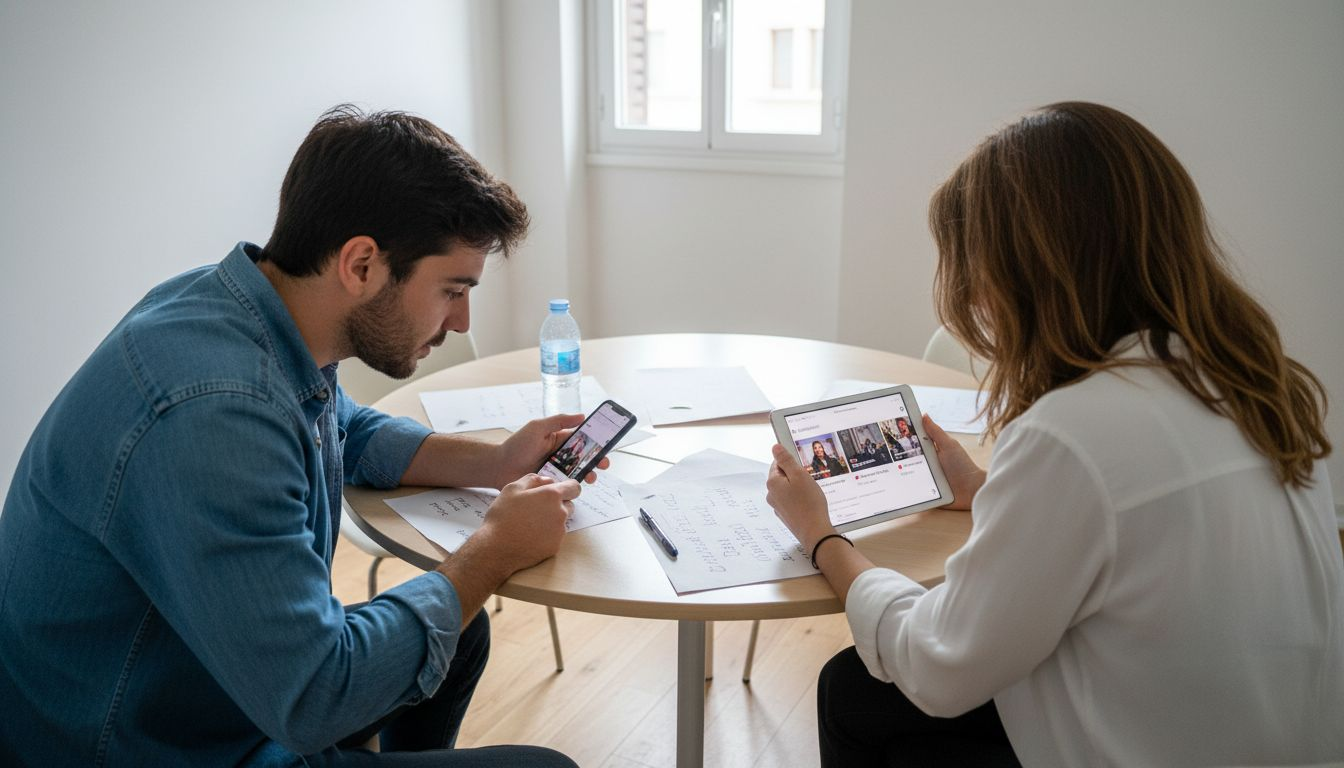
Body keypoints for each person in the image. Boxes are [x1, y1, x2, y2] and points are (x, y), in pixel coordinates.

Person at [0, 106, 595, 767]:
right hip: (146, 744)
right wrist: (490, 553)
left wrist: (496, 462)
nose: (460, 321)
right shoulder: (217, 414)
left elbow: (347, 426)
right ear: (362, 263)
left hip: (214, 686)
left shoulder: (244, 310)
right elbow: (315, 694)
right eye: (452, 289)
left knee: (461, 633)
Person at [765, 102, 1343, 767]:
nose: (976, 301)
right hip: (1283, 738)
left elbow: (935, 666)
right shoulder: (1253, 382)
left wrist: (822, 536)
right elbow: (1133, 543)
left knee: (854, 691)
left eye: (977, 272)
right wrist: (985, 491)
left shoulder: (1072, 435)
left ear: (1024, 273)